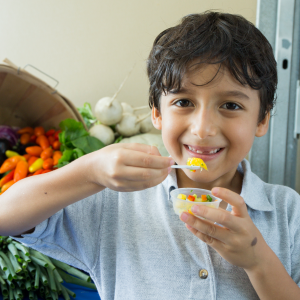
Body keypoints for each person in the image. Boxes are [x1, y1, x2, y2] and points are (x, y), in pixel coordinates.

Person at [1, 11, 300, 300]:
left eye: (231, 106)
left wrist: (258, 261)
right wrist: (90, 171)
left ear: (262, 120)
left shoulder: (288, 213)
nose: (203, 129)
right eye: (184, 101)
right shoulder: (115, 203)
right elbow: (6, 217)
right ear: (157, 114)